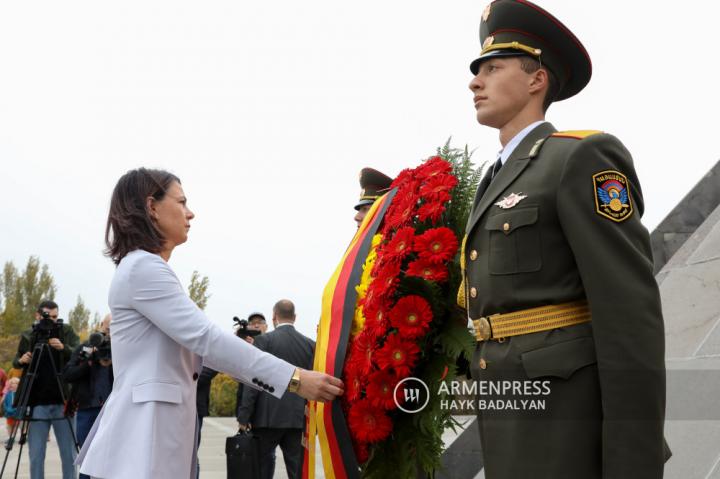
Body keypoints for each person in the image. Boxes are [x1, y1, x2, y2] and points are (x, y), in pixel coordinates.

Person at [460, 1, 668, 478]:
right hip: (507, 409)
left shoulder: (579, 157)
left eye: (493, 68)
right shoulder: (495, 179)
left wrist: (632, 458)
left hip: (565, 419)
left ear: (537, 80)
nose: (475, 81)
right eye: (477, 71)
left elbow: (628, 312)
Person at [76, 168, 343, 479]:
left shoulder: (145, 268)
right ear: (151, 207)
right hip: (141, 447)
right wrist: (296, 379)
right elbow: (207, 339)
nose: (191, 213)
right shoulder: (143, 268)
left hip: (153, 443)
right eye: (181, 202)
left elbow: (201, 349)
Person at [237, 300, 315, 479]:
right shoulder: (310, 345)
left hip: (267, 419)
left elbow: (253, 383)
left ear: (273, 317)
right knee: (297, 471)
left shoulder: (263, 341)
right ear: (294, 317)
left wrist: (244, 416)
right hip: (297, 419)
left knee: (262, 471)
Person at [13, 300, 79, 479]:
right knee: (35, 456)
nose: (52, 321)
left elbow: (79, 355)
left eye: (56, 317)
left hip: (63, 402)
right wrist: (23, 360)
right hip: (37, 403)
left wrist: (63, 348)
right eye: (48, 317)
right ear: (38, 315)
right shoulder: (29, 334)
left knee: (69, 455)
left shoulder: (66, 331)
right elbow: (16, 361)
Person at [63, 314, 114, 479]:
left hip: (113, 410)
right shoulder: (85, 347)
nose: (109, 333)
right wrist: (88, 361)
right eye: (107, 329)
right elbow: (68, 374)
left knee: (114, 457)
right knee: (86, 458)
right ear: (101, 325)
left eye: (114, 329)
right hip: (87, 409)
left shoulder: (122, 347)